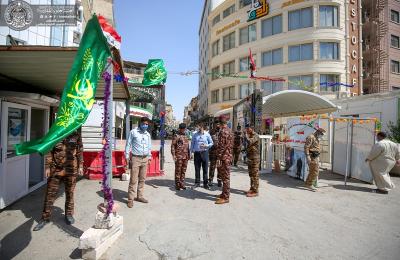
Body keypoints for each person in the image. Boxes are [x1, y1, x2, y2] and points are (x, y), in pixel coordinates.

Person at [33, 128, 83, 231]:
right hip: (56, 169)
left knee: (70, 193)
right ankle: (45, 218)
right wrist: (47, 166)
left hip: (71, 169)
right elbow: (49, 150)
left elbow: (80, 151)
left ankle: (69, 215)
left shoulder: (75, 135)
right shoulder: (55, 133)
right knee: (50, 194)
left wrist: (81, 166)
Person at [125, 117, 152, 208]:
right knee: (133, 180)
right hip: (136, 158)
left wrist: (149, 157)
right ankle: (130, 199)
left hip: (145, 158)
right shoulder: (133, 132)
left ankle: (139, 196)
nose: (145, 125)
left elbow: (149, 147)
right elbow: (128, 144)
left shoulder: (148, 134)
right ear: (140, 123)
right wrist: (127, 156)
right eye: (144, 124)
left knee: (142, 179)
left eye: (147, 124)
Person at [215, 116, 233, 204]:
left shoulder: (223, 131)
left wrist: (218, 157)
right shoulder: (229, 130)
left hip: (224, 157)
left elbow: (222, 146)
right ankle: (224, 193)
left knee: (225, 177)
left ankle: (226, 197)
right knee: (224, 176)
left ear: (220, 123)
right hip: (227, 156)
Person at [191, 123, 213, 189]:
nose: (198, 128)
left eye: (200, 127)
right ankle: (197, 183)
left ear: (203, 127)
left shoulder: (207, 134)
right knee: (197, 169)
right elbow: (192, 144)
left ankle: (205, 184)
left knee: (205, 169)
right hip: (197, 153)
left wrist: (206, 146)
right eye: (198, 127)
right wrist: (191, 153)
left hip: (205, 153)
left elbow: (211, 143)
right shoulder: (195, 134)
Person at [171, 123, 191, 190]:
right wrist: (173, 155)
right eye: (182, 129)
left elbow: (187, 146)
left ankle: (182, 183)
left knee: (183, 171)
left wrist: (189, 155)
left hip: (185, 156)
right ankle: (177, 184)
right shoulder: (176, 136)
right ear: (180, 129)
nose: (184, 130)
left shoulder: (186, 136)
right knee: (178, 170)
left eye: (184, 129)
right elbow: (173, 146)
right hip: (179, 156)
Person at [244, 124, 260, 197]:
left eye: (248, 128)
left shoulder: (255, 135)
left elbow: (250, 142)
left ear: (252, 128)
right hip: (250, 157)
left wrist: (245, 136)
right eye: (246, 128)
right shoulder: (249, 135)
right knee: (251, 174)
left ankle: (256, 191)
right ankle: (252, 188)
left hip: (255, 158)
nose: (246, 130)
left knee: (255, 174)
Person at [208, 120, 221, 187]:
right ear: (214, 125)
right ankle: (210, 180)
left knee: (220, 167)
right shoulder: (211, 132)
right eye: (216, 124)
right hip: (213, 152)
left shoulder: (222, 132)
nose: (217, 126)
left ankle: (219, 180)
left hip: (220, 153)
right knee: (212, 167)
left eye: (218, 124)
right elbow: (207, 142)